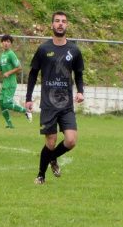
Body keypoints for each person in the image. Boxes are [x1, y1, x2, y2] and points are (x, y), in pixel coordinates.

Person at [25, 12, 85, 185]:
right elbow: (33, 73)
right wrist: (28, 98)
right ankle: (41, 175)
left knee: (71, 140)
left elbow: (78, 74)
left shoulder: (74, 50)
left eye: (63, 21)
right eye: (57, 21)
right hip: (48, 104)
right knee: (50, 142)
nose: (60, 24)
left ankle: (52, 158)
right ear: (52, 25)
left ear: (67, 25)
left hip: (66, 104)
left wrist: (80, 91)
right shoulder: (43, 49)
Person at [0, 35, 32, 129]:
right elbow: (0, 71)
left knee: (6, 104)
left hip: (11, 83)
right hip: (5, 83)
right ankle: (10, 124)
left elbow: (19, 68)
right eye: (4, 41)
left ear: (11, 44)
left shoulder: (11, 54)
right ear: (1, 43)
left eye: (8, 41)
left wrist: (8, 72)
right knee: (1, 103)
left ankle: (26, 111)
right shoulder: (2, 55)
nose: (6, 43)